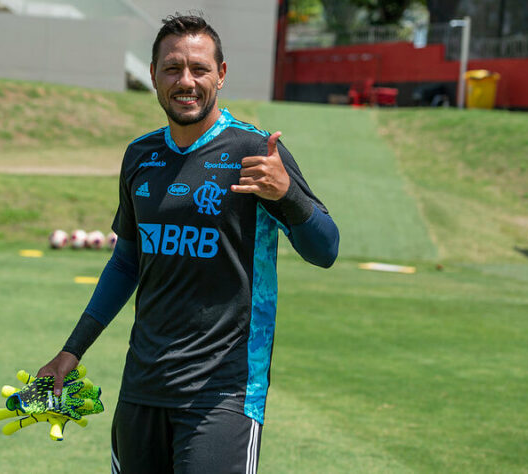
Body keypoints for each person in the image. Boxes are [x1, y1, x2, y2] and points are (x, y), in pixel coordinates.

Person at [36, 13, 339, 474]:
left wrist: (288, 195)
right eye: (172, 68)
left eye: (199, 68)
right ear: (154, 76)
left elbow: (326, 250)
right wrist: (71, 351)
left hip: (224, 394)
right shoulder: (140, 156)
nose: (186, 81)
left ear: (221, 74)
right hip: (141, 389)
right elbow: (126, 262)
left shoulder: (255, 152)